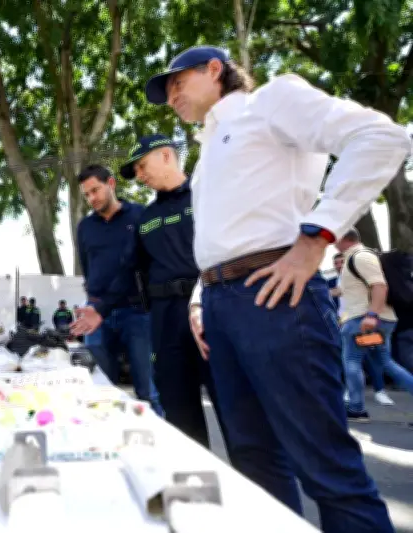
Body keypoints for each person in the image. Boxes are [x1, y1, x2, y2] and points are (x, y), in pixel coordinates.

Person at [146, 44, 407, 531]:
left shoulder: (270, 102)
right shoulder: (206, 157)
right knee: (256, 466)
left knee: (326, 467)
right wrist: (203, 300)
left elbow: (381, 136)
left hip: (276, 299)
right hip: (223, 308)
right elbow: (219, 241)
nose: (172, 97)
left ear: (215, 69)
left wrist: (315, 239)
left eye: (178, 82)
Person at [72, 135, 226, 449]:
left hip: (210, 312)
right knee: (178, 409)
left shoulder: (204, 199)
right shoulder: (147, 219)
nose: (140, 176)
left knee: (234, 410)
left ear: (168, 156)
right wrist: (99, 309)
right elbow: (129, 269)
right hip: (161, 319)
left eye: (143, 166)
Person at [73, 164, 156, 404]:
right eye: (86, 194)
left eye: (95, 190)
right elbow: (88, 269)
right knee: (100, 389)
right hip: (96, 315)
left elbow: (144, 265)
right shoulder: (85, 228)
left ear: (111, 184)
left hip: (136, 312)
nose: (91, 199)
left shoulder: (140, 215)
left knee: (147, 390)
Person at [336, 228, 413, 420]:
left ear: (343, 238)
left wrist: (371, 315)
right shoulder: (357, 258)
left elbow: (379, 285)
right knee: (386, 363)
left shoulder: (360, 257)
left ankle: (356, 408)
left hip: (363, 320)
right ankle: (355, 407)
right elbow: (350, 290)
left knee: (352, 361)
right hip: (374, 320)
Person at [331, 251, 392, 406]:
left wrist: (372, 315)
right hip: (343, 323)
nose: (339, 265)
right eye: (336, 263)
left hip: (363, 322)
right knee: (347, 360)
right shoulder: (333, 282)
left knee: (373, 358)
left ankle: (379, 391)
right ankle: (351, 393)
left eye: (342, 262)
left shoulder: (360, 277)